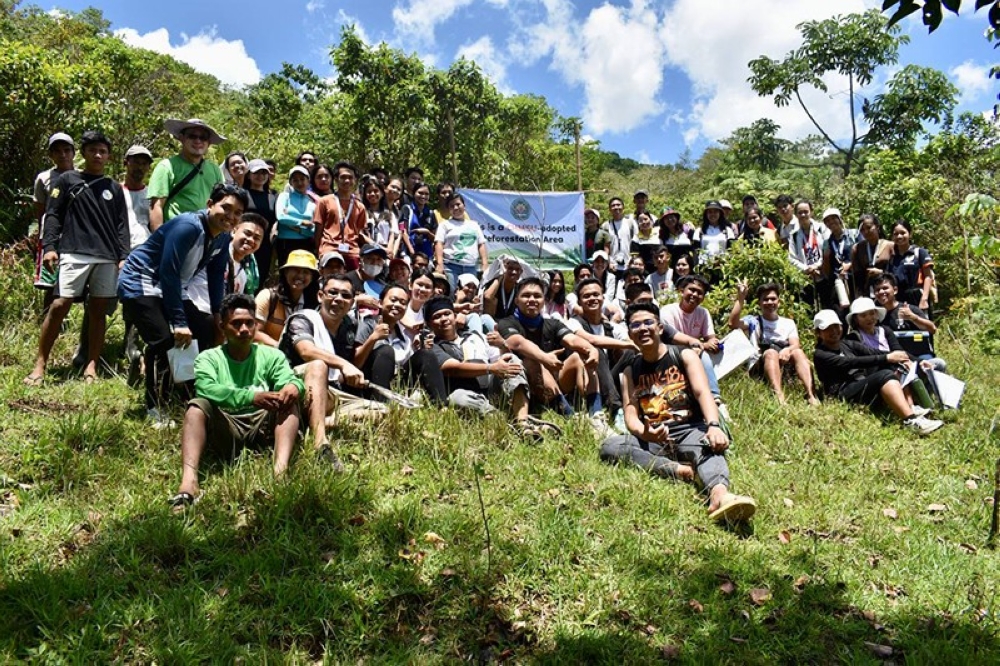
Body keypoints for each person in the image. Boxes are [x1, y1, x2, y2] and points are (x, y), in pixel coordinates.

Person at [599, 302, 757, 524]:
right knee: (610, 446)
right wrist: (646, 433)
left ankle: (720, 496)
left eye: (648, 323)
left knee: (709, 446)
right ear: (630, 334)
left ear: (660, 328)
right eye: (635, 325)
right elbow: (631, 416)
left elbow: (703, 393)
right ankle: (679, 470)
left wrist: (713, 426)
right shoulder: (629, 371)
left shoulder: (683, 356)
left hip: (691, 428)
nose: (642, 329)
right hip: (655, 438)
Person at [118, 182, 247, 425]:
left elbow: (216, 274)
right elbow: (168, 272)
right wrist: (178, 321)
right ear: (210, 205)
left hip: (175, 286)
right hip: (143, 281)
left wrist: (220, 314)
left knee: (206, 329)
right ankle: (155, 407)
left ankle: (187, 394)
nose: (231, 216)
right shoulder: (189, 226)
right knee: (164, 341)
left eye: (237, 213)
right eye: (226, 208)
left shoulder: (222, 237)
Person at [170, 293, 304, 508]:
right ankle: (188, 482)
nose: (244, 329)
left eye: (249, 323)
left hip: (262, 426)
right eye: (236, 323)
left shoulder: (271, 355)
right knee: (196, 407)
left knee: (289, 404)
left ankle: (280, 474)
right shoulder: (209, 357)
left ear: (256, 326)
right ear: (222, 326)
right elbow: (206, 389)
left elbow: (289, 379)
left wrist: (293, 387)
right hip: (226, 425)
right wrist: (252, 397)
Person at [25, 131, 129, 386]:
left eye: (102, 151)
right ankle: (40, 364)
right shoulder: (68, 180)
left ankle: (91, 364)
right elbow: (52, 215)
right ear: (83, 153)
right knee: (60, 304)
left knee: (98, 310)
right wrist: (50, 246)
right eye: (93, 150)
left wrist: (124, 256)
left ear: (108, 156)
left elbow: (121, 225)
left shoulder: (114, 187)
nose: (97, 155)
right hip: (73, 250)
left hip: (106, 255)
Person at [423, 295, 558, 439]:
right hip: (467, 395)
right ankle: (509, 424)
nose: (444, 319)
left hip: (492, 391)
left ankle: (522, 421)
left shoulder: (475, 337)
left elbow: (501, 360)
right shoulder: (433, 348)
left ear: (455, 316)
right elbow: (452, 368)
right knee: (457, 398)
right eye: (437, 316)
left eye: (447, 314)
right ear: (429, 324)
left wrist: (503, 346)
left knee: (510, 359)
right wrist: (491, 368)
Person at [278, 273, 375, 468]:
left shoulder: (349, 326)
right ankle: (320, 444)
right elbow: (306, 351)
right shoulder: (303, 318)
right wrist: (343, 364)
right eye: (332, 293)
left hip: (330, 393)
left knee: (381, 411)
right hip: (295, 388)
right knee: (317, 365)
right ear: (320, 296)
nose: (338, 299)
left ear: (352, 302)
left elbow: (348, 365)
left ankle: (317, 422)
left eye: (345, 295)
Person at [812, 309, 943, 434]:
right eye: (828, 328)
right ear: (818, 333)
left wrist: (917, 361)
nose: (834, 331)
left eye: (836, 326)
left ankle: (913, 407)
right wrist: (887, 358)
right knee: (884, 374)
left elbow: (875, 352)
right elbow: (850, 362)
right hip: (842, 393)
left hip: (861, 385)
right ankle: (910, 421)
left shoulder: (847, 344)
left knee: (891, 367)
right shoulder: (820, 354)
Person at [495, 276, 601, 418]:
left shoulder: (553, 324)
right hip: (526, 386)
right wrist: (545, 358)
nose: (532, 299)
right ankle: (569, 415)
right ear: (516, 300)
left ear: (544, 301)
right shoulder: (506, 323)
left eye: (537, 296)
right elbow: (518, 342)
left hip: (555, 380)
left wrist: (592, 350)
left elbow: (573, 340)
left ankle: (596, 414)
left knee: (581, 355)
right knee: (532, 360)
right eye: (526, 295)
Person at [354, 283, 449, 405]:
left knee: (426, 354)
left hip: (396, 387)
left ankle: (441, 405)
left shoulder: (404, 336)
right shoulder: (367, 325)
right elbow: (355, 363)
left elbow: (407, 368)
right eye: (393, 300)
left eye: (403, 303)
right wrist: (373, 338)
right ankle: (381, 406)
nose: (397, 305)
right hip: (370, 386)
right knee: (385, 351)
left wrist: (420, 348)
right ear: (380, 302)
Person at [728, 281, 820, 405]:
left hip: (784, 363)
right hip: (759, 367)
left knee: (798, 352)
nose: (770, 302)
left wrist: (787, 350)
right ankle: (779, 396)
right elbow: (732, 324)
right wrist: (740, 298)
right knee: (771, 353)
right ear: (759, 303)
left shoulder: (788, 323)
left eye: (773, 299)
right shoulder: (753, 321)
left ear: (779, 302)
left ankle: (810, 394)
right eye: (765, 300)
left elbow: (795, 344)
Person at [659, 275, 728, 416]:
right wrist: (701, 344)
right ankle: (712, 397)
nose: (695, 295)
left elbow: (711, 339)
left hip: (696, 352)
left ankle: (715, 400)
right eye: (692, 290)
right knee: (701, 353)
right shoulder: (668, 311)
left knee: (707, 352)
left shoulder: (703, 313)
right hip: (671, 353)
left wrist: (710, 343)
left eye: (700, 292)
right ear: (682, 291)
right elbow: (671, 338)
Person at [148, 118, 226, 232]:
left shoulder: (214, 170)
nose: (198, 141)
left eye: (203, 137)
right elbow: (156, 206)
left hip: (206, 236)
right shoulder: (167, 167)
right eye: (192, 136)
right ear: (182, 138)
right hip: (175, 234)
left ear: (208, 143)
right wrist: (159, 239)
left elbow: (221, 203)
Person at [31, 132, 76, 295]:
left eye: (66, 150)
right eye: (57, 151)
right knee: (50, 285)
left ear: (74, 153)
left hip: (77, 236)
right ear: (51, 155)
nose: (63, 155)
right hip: (52, 237)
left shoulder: (82, 177)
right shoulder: (43, 178)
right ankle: (49, 320)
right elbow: (40, 209)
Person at [872, 273, 943, 369]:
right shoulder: (874, 315)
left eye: (885, 288)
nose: (881, 292)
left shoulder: (909, 309)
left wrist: (913, 317)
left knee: (938, 364)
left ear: (895, 290)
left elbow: (932, 329)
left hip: (919, 356)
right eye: (877, 290)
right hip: (892, 359)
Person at [254, 250, 319, 347]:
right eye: (295, 270)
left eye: (306, 272)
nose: (300, 276)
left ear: (312, 278)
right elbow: (254, 332)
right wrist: (280, 348)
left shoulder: (313, 305)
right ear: (285, 272)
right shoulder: (268, 297)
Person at [314, 161, 367, 270]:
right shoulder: (324, 201)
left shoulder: (360, 206)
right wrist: (318, 251)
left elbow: (360, 233)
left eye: (350, 177)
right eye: (343, 177)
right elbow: (318, 231)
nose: (347, 180)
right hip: (329, 249)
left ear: (355, 180)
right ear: (336, 179)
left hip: (352, 251)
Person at [434, 193, 489, 286]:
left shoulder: (474, 225)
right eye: (452, 206)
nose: (455, 208)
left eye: (458, 204)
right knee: (451, 294)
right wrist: (440, 264)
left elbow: (481, 244)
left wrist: (485, 263)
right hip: (451, 267)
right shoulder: (444, 225)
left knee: (469, 296)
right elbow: (438, 243)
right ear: (448, 209)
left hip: (471, 268)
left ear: (464, 206)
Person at [886, 219, 935, 312]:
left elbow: (928, 276)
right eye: (895, 234)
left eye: (903, 233)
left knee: (921, 325)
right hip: (899, 299)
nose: (899, 236)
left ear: (910, 234)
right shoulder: (892, 258)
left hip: (917, 297)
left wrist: (924, 299)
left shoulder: (919, 252)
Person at [787, 200, 829, 305]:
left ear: (812, 212)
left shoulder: (821, 228)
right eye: (800, 212)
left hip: (823, 273)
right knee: (809, 308)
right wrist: (806, 269)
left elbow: (827, 250)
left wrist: (816, 266)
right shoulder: (794, 235)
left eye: (806, 211)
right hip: (806, 277)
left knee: (827, 304)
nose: (803, 215)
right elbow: (792, 258)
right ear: (796, 215)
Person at [273, 165, 317, 266]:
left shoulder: (312, 202)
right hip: (286, 243)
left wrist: (300, 229)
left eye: (302, 179)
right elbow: (281, 217)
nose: (299, 183)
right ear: (291, 183)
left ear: (308, 181)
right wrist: (302, 222)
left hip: (306, 243)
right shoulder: (284, 196)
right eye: (295, 180)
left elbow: (314, 228)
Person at [244, 159, 277, 281]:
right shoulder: (242, 194)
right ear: (248, 175)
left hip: (264, 244)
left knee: (260, 277)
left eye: (264, 173)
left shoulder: (273, 197)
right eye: (256, 173)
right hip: (244, 240)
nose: (261, 176)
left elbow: (276, 220)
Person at [820, 207, 856, 309]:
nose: (831, 222)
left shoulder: (854, 234)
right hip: (838, 283)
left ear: (840, 219)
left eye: (833, 218)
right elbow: (826, 272)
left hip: (855, 281)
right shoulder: (827, 243)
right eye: (827, 220)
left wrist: (850, 264)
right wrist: (826, 257)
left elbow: (863, 256)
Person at [849, 213, 891, 298]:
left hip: (887, 292)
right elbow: (857, 277)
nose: (866, 232)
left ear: (877, 227)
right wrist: (859, 296)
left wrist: (881, 272)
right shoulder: (857, 248)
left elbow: (897, 271)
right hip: (868, 293)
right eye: (862, 230)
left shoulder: (890, 246)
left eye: (868, 228)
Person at [692, 200, 736, 265]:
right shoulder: (699, 231)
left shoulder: (728, 230)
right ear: (706, 214)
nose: (713, 214)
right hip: (704, 267)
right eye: (710, 212)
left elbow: (732, 250)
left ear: (720, 213)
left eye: (715, 212)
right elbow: (696, 252)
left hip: (723, 267)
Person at [601, 197, 635, 276]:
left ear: (623, 207)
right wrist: (608, 262)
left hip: (629, 265)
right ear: (609, 209)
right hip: (612, 266)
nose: (616, 207)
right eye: (613, 205)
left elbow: (636, 243)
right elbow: (605, 247)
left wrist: (633, 262)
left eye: (618, 205)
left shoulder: (631, 223)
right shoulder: (605, 226)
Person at [404, 181, 437, 260]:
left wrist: (427, 232)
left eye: (426, 194)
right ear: (414, 193)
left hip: (427, 255)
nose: (423, 196)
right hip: (409, 252)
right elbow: (402, 230)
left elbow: (435, 238)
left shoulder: (431, 213)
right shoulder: (406, 209)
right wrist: (411, 250)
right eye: (420, 193)